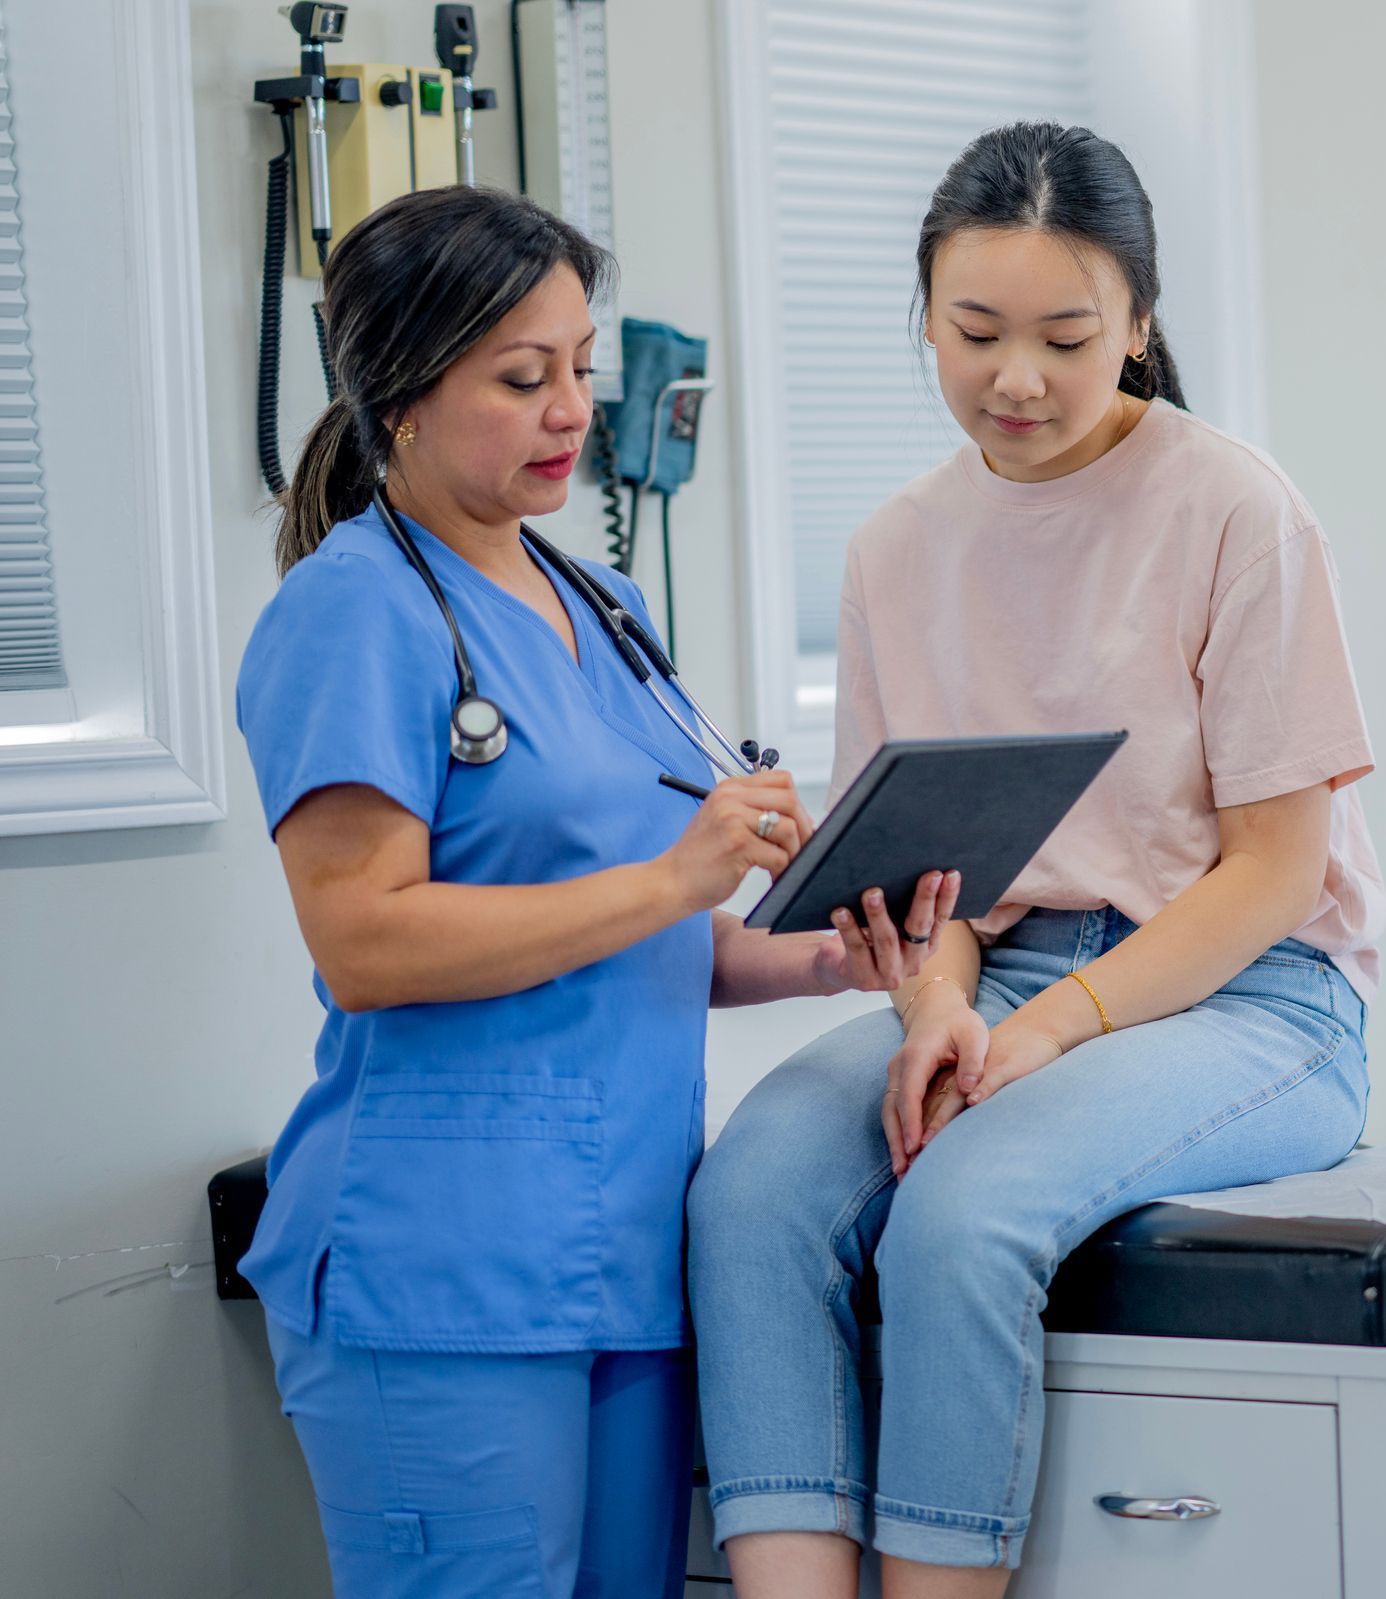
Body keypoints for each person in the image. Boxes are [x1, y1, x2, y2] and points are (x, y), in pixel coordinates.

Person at [688, 122, 1386, 1599]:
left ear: (1137, 322)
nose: (1016, 379)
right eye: (975, 332)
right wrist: (936, 1007)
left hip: (1251, 996)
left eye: (1067, 338)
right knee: (750, 1191)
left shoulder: (1235, 510)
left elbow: (1273, 871)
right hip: (995, 981)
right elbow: (933, 870)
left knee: (962, 1205)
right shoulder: (895, 548)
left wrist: (1047, 1028)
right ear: (924, 318)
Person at [234, 185, 955, 1599]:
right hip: (442, 1271)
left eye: (579, 366)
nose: (571, 408)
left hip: (624, 1256)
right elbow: (365, 939)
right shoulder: (354, 609)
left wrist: (820, 958)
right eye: (522, 377)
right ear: (400, 390)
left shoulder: (606, 607)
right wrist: (677, 874)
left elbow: (653, 942)